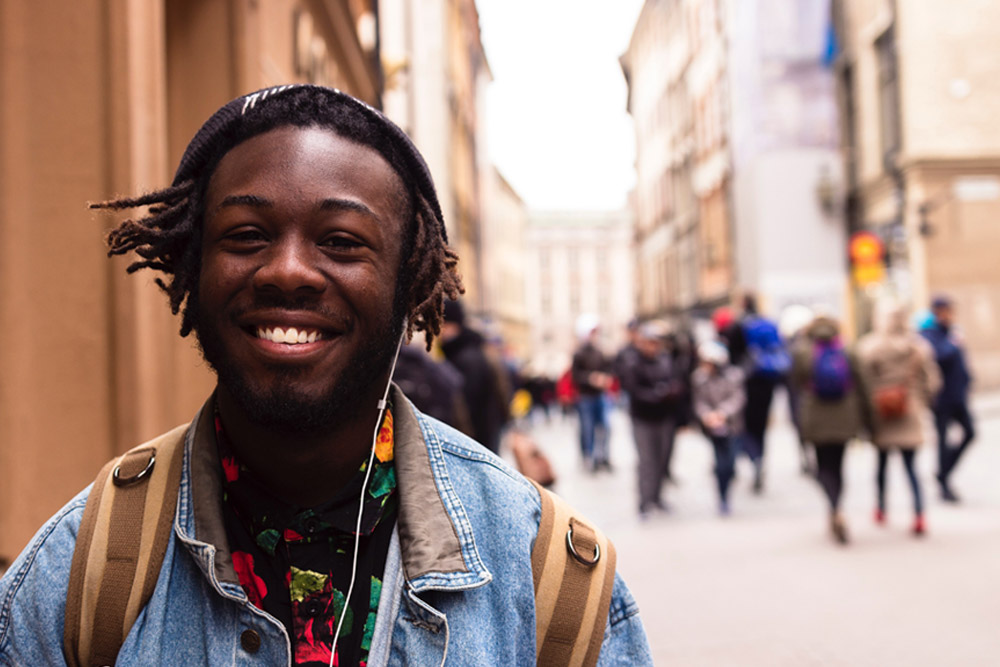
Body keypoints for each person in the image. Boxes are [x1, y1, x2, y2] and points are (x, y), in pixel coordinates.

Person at [0, 85, 651, 665]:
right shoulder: (77, 578)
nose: (288, 270)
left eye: (341, 241)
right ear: (191, 269)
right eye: (247, 233)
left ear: (409, 285)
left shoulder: (552, 585)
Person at [857, 302, 941, 536]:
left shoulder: (871, 347)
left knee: (881, 465)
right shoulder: (918, 347)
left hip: (881, 412)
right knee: (911, 467)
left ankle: (881, 508)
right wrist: (919, 401)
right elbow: (932, 382)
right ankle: (919, 514)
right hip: (910, 411)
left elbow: (863, 381)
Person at [790, 315, 867, 544]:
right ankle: (837, 509)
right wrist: (868, 421)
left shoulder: (803, 351)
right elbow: (862, 384)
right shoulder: (847, 349)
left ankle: (833, 507)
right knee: (839, 465)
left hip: (816, 417)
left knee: (823, 466)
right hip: (845, 417)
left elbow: (796, 385)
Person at [719, 293, 790, 493]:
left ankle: (752, 459)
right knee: (761, 426)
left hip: (745, 383)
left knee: (745, 426)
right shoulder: (769, 324)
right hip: (767, 383)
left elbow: (730, 357)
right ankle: (760, 461)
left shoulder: (738, 326)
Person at [619, 321, 682, 518]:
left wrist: (670, 392)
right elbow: (632, 389)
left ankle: (657, 497)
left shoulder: (666, 360)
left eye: (656, 342)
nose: (653, 347)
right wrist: (656, 394)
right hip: (643, 417)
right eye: (650, 342)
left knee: (663, 458)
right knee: (647, 461)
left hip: (664, 416)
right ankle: (645, 501)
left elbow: (677, 380)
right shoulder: (633, 362)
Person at [921, 295, 975, 502]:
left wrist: (969, 380)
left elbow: (960, 363)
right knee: (942, 441)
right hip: (941, 398)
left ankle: (943, 472)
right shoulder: (929, 334)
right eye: (947, 311)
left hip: (958, 395)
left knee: (970, 433)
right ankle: (943, 482)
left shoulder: (949, 332)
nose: (951, 315)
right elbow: (939, 356)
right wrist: (953, 343)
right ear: (938, 311)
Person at [439, 299, 510, 455]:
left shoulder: (464, 357)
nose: (440, 331)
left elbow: (468, 404)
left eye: (443, 325)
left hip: (477, 436)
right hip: (489, 431)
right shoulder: (476, 348)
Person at [691, 340, 745, 516]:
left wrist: (722, 413)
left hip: (732, 425)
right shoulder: (699, 378)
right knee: (720, 464)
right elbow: (699, 401)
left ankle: (727, 488)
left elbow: (738, 398)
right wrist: (707, 415)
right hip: (712, 427)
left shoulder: (734, 375)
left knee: (730, 463)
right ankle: (722, 497)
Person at [571, 314, 614, 471]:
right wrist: (590, 378)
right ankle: (588, 457)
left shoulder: (600, 351)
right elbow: (575, 376)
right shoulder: (579, 353)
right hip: (585, 396)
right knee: (587, 429)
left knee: (605, 427)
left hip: (600, 395)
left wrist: (605, 378)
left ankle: (602, 456)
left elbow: (608, 369)